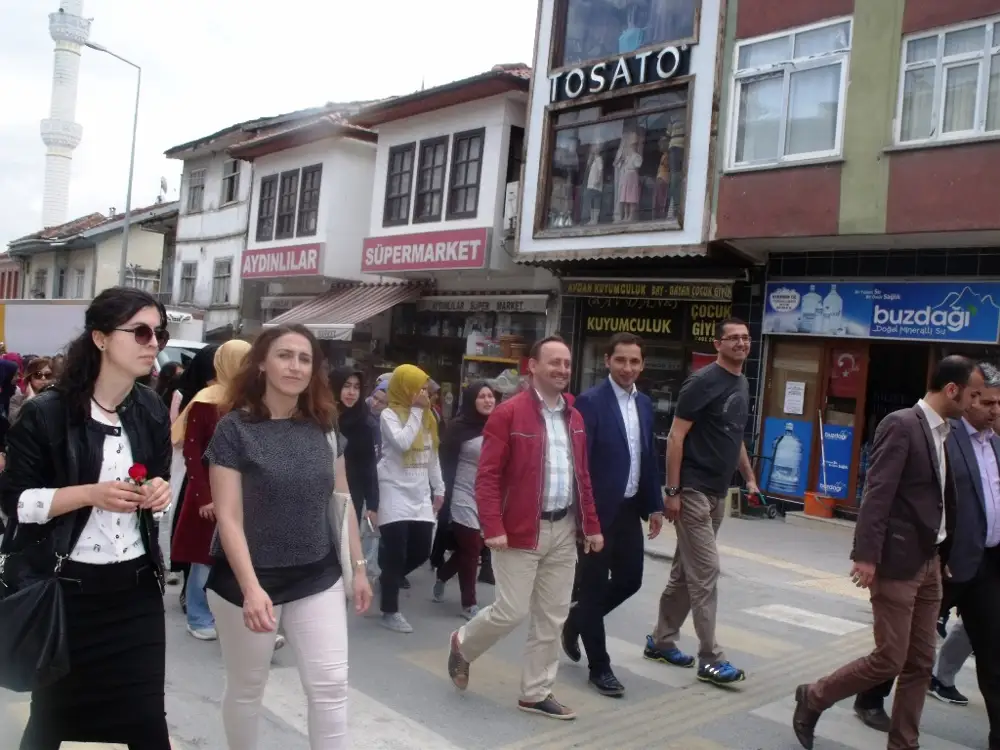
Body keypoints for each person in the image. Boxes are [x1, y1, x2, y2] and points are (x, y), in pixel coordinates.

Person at [1, 287, 173, 749]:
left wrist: (159, 494)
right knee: (50, 722)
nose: (153, 343)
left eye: (158, 333)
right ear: (100, 338)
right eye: (140, 332)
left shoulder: (150, 408)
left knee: (147, 724)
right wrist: (89, 495)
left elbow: (158, 481)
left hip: (136, 591)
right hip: (67, 592)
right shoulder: (47, 413)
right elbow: (15, 503)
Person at [792, 355, 983, 750]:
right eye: (973, 395)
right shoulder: (902, 424)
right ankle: (814, 696)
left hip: (930, 561)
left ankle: (904, 743)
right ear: (952, 390)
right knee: (890, 658)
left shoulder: (945, 431)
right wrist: (866, 555)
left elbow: (940, 496)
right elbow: (877, 493)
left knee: (920, 663)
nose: (975, 403)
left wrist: (946, 553)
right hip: (897, 561)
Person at [205, 323, 372, 750]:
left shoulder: (325, 426)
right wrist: (251, 588)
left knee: (331, 686)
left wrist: (358, 568)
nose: (295, 366)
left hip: (317, 574)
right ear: (262, 363)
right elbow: (228, 517)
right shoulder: (234, 429)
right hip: (249, 579)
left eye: (304, 358)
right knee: (247, 688)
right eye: (284, 355)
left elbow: (342, 500)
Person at [446, 335, 603, 720]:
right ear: (532, 366)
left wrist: (592, 525)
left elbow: (582, 476)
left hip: (564, 528)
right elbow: (487, 476)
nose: (562, 369)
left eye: (567, 363)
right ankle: (463, 644)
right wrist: (492, 525)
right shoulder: (508, 414)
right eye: (554, 362)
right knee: (511, 610)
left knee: (553, 615)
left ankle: (535, 693)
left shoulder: (574, 417)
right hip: (519, 530)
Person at [644, 318, 757, 687]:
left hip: (718, 492)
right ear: (717, 344)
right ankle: (710, 658)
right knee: (706, 572)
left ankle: (661, 641)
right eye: (733, 338)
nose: (741, 343)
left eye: (745, 338)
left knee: (684, 572)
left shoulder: (741, 381)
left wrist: (749, 477)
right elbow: (676, 437)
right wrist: (672, 491)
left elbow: (734, 435)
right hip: (692, 489)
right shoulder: (702, 381)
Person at [563, 332, 665, 697]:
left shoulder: (645, 404)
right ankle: (599, 667)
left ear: (642, 364)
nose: (628, 367)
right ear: (607, 361)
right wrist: (584, 516)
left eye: (635, 361)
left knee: (630, 580)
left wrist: (655, 504)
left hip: (629, 508)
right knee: (592, 588)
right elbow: (580, 463)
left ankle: (577, 619)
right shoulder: (591, 402)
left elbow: (648, 457)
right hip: (597, 511)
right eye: (621, 360)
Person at [170, 340, 251, 641]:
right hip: (210, 491)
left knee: (237, 557)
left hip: (242, 491)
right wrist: (204, 497)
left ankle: (235, 617)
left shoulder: (250, 399)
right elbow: (192, 452)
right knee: (203, 558)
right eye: (243, 361)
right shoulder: (206, 400)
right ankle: (198, 616)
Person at [376, 364, 444, 633]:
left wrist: (439, 488)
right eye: (419, 389)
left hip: (419, 492)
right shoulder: (389, 415)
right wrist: (416, 411)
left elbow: (432, 455)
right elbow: (403, 442)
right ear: (405, 389)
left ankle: (388, 578)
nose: (425, 394)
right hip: (393, 489)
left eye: (426, 390)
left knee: (422, 550)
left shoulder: (429, 418)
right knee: (396, 552)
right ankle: (390, 610)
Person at [433, 381, 496, 619]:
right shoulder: (458, 428)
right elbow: (443, 462)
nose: (488, 400)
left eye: (490, 396)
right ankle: (469, 604)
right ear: (471, 400)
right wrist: (442, 495)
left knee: (473, 548)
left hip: (487, 495)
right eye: (482, 396)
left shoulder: (499, 424)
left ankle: (442, 575)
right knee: (470, 548)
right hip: (461, 492)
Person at [168, 345, 220, 600]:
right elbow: (177, 436)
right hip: (187, 468)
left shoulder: (232, 397)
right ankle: (189, 591)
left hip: (211, 473)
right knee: (189, 528)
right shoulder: (188, 396)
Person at [330, 367, 379, 524]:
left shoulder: (364, 422)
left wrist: (372, 504)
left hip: (351, 496)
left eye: (356, 387)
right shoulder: (322, 419)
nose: (351, 392)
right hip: (321, 492)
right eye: (346, 386)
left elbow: (369, 465)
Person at [8, 356, 55, 424]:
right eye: (38, 374)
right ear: (30, 378)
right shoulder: (17, 399)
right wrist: (29, 399)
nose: (43, 378)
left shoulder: (58, 398)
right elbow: (13, 420)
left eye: (48, 375)